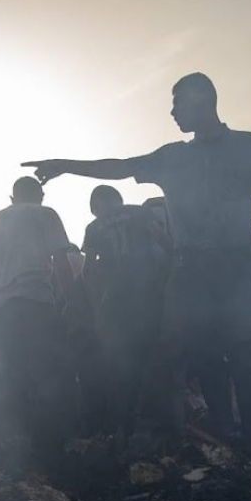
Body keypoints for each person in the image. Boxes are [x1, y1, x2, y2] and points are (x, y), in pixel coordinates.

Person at [23, 72, 251, 447]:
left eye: (176, 102)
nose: (172, 112)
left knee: (242, 349)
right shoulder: (172, 158)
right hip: (190, 266)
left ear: (201, 100)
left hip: (236, 264)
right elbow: (119, 166)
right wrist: (66, 165)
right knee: (203, 349)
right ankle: (227, 432)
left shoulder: (248, 145)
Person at [0, 176, 78, 464]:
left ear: (12, 197)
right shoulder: (45, 214)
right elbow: (61, 261)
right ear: (40, 195)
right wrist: (73, 302)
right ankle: (57, 445)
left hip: (2, 308)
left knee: (17, 373)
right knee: (52, 371)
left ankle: (25, 447)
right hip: (36, 300)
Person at [82, 184, 173, 444]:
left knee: (122, 364)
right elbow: (162, 240)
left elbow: (88, 271)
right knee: (154, 356)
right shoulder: (138, 213)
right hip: (148, 295)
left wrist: (96, 307)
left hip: (116, 303)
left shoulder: (94, 227)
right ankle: (158, 424)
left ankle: (124, 427)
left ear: (96, 205)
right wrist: (174, 265)